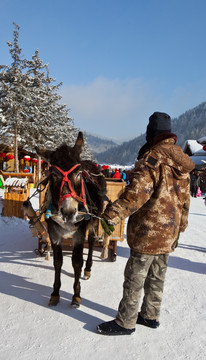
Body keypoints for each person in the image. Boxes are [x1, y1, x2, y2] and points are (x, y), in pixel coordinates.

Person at [97, 112, 195, 336]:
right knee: (157, 275)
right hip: (169, 231)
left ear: (152, 132)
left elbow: (136, 194)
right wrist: (181, 227)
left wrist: (111, 215)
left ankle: (125, 322)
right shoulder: (182, 160)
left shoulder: (154, 157)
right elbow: (185, 200)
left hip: (148, 231)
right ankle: (150, 315)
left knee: (135, 277)